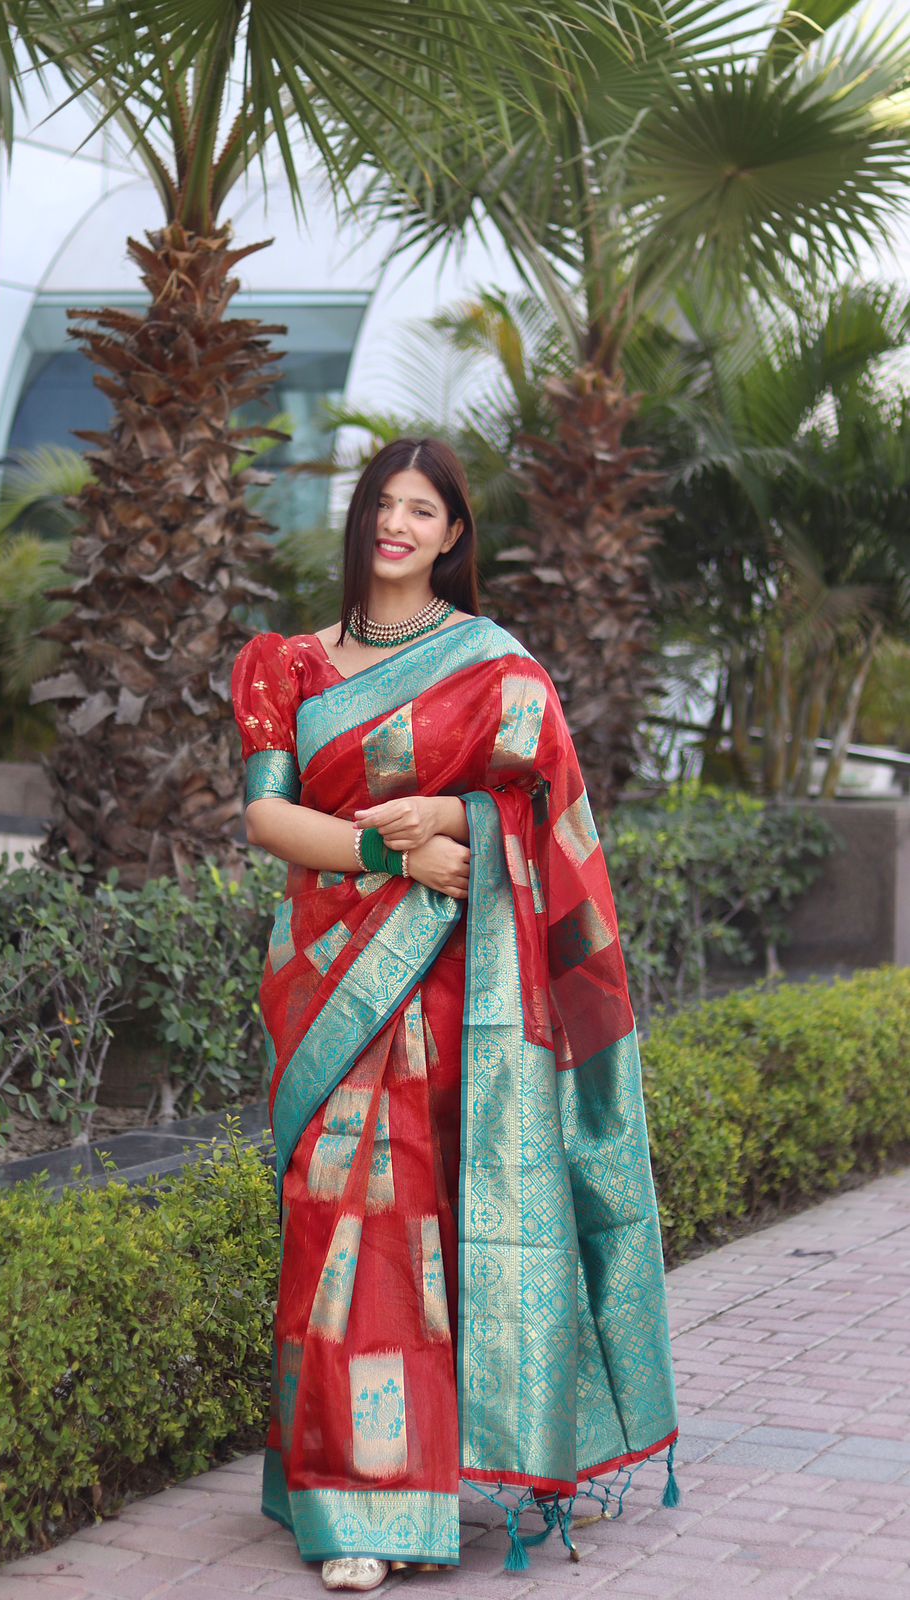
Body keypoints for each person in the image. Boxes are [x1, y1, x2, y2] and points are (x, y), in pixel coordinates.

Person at [230, 438, 679, 1593]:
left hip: (449, 988)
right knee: (333, 1219)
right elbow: (269, 822)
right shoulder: (289, 662)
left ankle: (403, 1490)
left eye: (420, 510)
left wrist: (464, 826)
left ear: (451, 534)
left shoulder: (495, 668)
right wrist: (390, 842)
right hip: (330, 976)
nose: (396, 525)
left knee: (415, 1226)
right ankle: (341, 1498)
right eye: (381, 505)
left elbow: (550, 811)